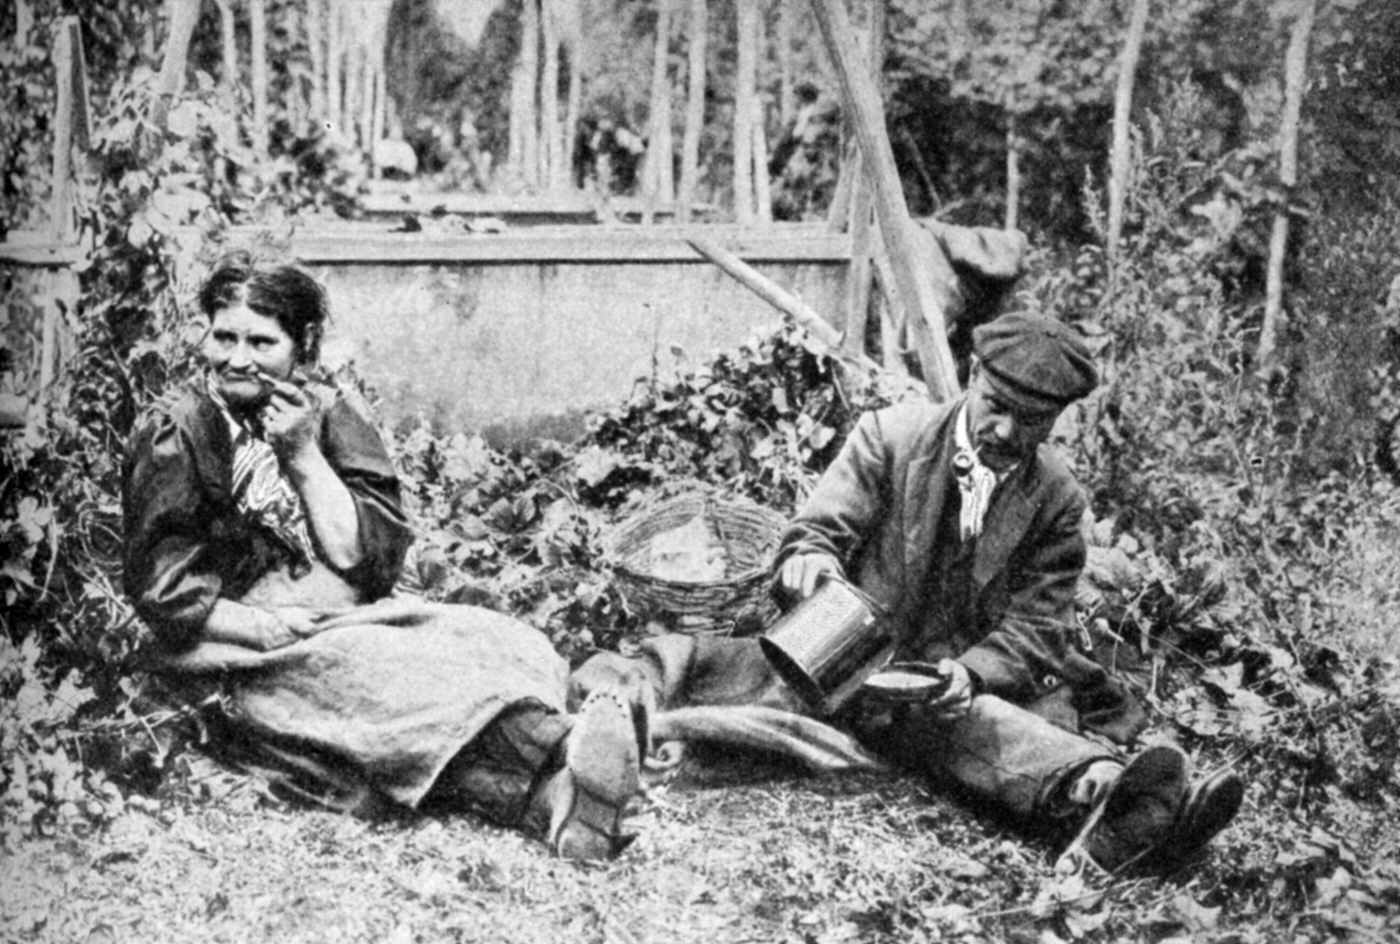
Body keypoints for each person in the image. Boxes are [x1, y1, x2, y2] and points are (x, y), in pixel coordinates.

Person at [575, 312, 1243, 876]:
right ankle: (1122, 804)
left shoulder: (1058, 502)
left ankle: (1105, 798)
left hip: (951, 686)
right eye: (996, 407)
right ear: (973, 378)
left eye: (1030, 420)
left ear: (1057, 420)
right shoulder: (887, 440)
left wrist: (970, 671)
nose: (1006, 431)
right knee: (703, 662)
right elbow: (814, 534)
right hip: (847, 667)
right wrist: (811, 568)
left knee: (978, 723)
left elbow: (1038, 624)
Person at [122, 251, 642, 861]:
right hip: (228, 641)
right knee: (379, 684)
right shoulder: (177, 430)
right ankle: (563, 748)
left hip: (337, 611)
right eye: (224, 336)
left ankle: (559, 803)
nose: (238, 358)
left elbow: (366, 562)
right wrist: (268, 628)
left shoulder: (327, 413)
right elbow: (162, 588)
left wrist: (303, 456)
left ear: (302, 347)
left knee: (487, 638)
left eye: (262, 341)